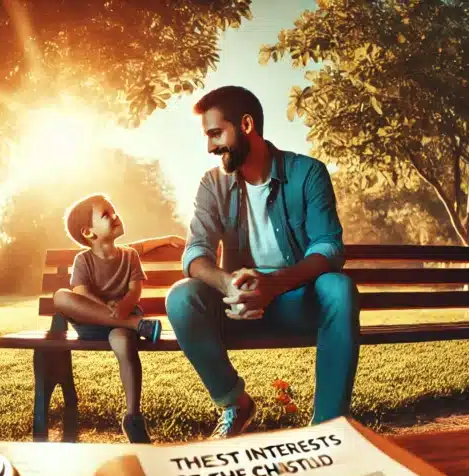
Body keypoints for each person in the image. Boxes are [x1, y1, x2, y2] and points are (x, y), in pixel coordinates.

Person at [165, 85, 360, 439]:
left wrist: (273, 285)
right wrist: (228, 284)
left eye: (215, 133)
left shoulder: (308, 173)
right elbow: (196, 253)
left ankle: (329, 430)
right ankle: (235, 404)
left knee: (339, 288)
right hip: (235, 304)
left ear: (247, 125)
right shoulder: (212, 184)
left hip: (293, 299)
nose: (210, 147)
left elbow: (329, 248)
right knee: (181, 296)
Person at [52, 192, 181, 443]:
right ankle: (134, 325)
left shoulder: (129, 255)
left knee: (124, 343)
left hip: (123, 320)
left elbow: (135, 289)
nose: (115, 215)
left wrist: (123, 307)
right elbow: (81, 292)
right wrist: (109, 309)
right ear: (89, 232)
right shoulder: (83, 260)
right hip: (92, 321)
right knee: (61, 296)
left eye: (113, 210)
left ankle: (133, 417)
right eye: (106, 214)